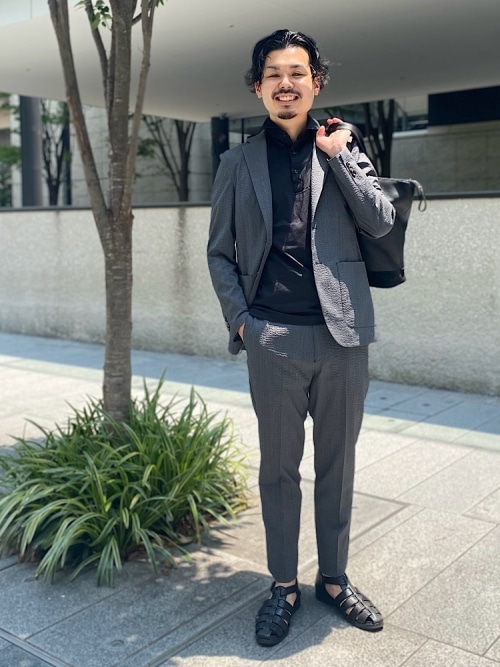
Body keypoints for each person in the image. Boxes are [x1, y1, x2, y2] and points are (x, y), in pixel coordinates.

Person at [207, 28, 395, 647]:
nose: (285, 84)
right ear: (258, 87)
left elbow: (380, 219)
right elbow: (220, 253)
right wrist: (244, 322)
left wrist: (339, 156)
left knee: (338, 467)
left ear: (316, 82)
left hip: (343, 338)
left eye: (297, 73)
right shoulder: (235, 164)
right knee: (279, 471)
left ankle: (334, 580)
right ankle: (283, 585)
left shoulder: (341, 143)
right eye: (273, 75)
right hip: (273, 338)